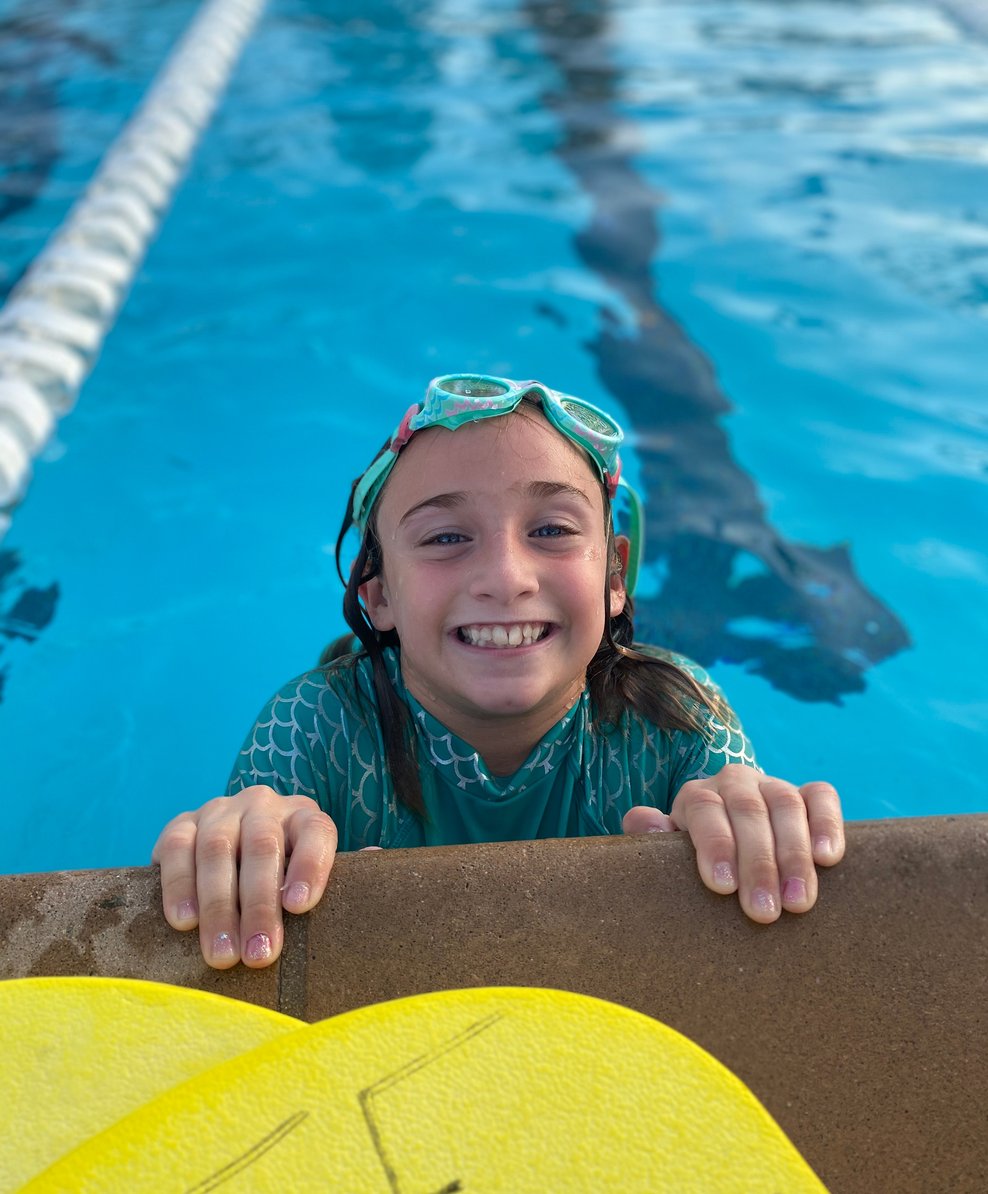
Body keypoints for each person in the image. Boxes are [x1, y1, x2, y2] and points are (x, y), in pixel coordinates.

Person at [153, 374, 845, 969]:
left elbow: (746, 837)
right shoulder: (313, 729)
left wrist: (745, 816)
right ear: (380, 594)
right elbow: (245, 867)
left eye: (551, 530)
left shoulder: (675, 716)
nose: (506, 578)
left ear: (613, 576)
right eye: (447, 538)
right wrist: (246, 833)